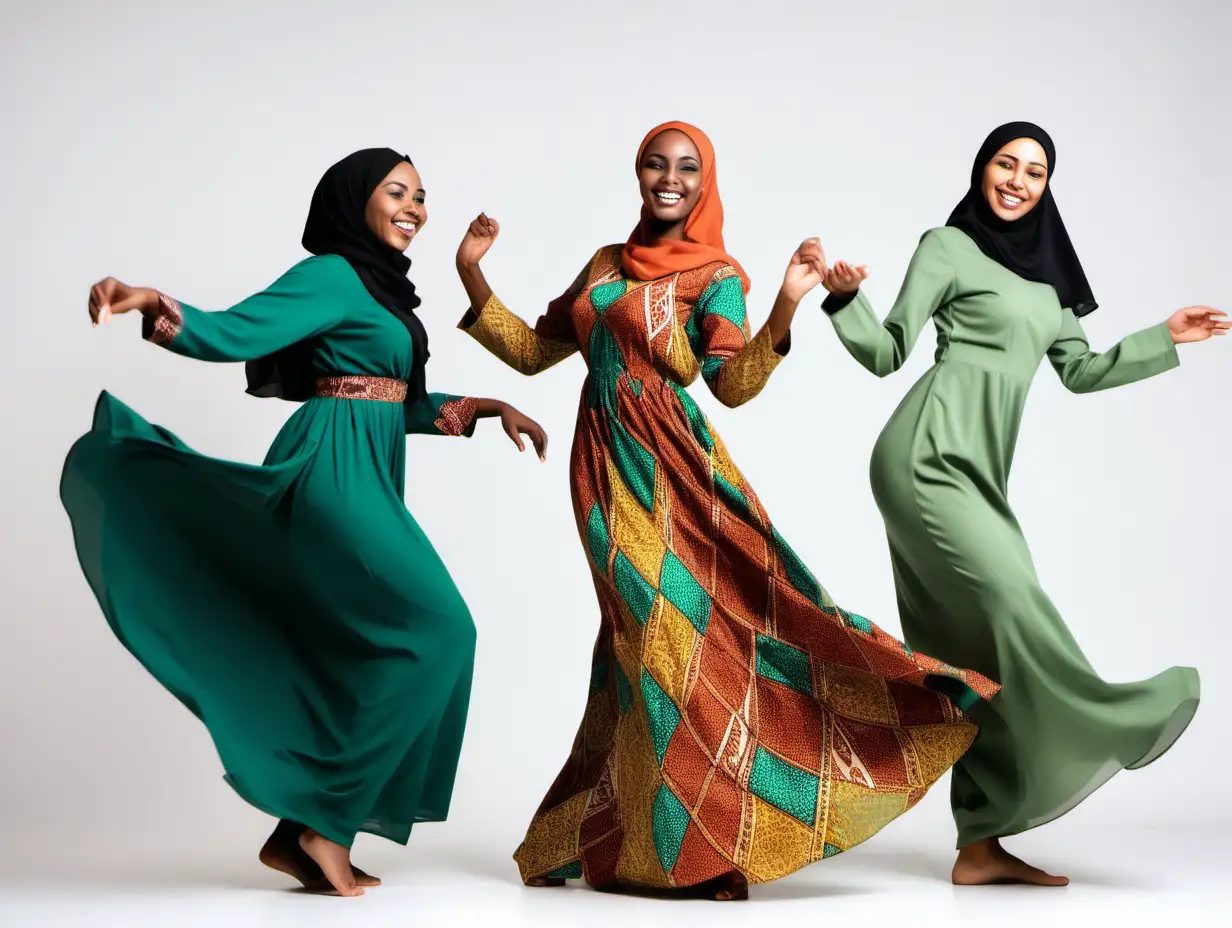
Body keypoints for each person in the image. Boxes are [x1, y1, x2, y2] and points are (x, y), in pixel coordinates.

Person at [454, 121, 998, 899]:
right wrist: (473, 275)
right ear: (637, 173)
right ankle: (626, 837)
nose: (668, 179)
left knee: (671, 636)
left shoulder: (717, 276)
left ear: (704, 182)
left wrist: (784, 304)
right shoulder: (605, 263)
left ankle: (691, 845)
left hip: (677, 469)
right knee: (640, 638)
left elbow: (733, 385)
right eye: (655, 164)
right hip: (603, 466)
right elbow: (536, 351)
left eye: (685, 168)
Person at [61, 148, 548, 897]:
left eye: (422, 195)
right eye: (397, 191)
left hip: (371, 474)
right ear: (355, 200)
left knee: (383, 647)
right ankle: (323, 824)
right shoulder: (331, 274)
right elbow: (234, 333)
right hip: (331, 474)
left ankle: (304, 835)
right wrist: (153, 302)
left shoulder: (385, 293)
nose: (415, 207)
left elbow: (396, 400)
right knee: (442, 631)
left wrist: (487, 408)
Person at [819, 121, 1221, 885]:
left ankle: (980, 844)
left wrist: (1162, 337)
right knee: (1012, 608)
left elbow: (1084, 370)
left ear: (1047, 187)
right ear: (981, 170)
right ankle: (1108, 715)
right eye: (1005, 164)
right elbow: (887, 352)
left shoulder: (1048, 289)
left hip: (983, 475)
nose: (1017, 180)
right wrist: (846, 301)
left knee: (982, 651)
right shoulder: (947, 246)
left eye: (1034, 172)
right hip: (923, 458)